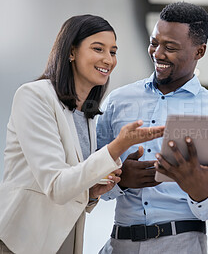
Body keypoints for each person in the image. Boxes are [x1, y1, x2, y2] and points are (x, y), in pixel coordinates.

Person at [0, 14, 164, 254]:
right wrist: (117, 146)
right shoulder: (34, 96)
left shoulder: (85, 114)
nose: (108, 59)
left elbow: (73, 186)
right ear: (71, 52)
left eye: (113, 52)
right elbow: (56, 186)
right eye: (98, 49)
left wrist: (91, 194)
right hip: (21, 243)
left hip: (63, 242)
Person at [96, 2, 208, 253]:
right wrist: (120, 181)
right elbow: (89, 181)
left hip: (181, 244)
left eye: (170, 47)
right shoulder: (119, 100)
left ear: (199, 51)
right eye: (154, 43)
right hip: (120, 242)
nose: (158, 53)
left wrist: (199, 191)